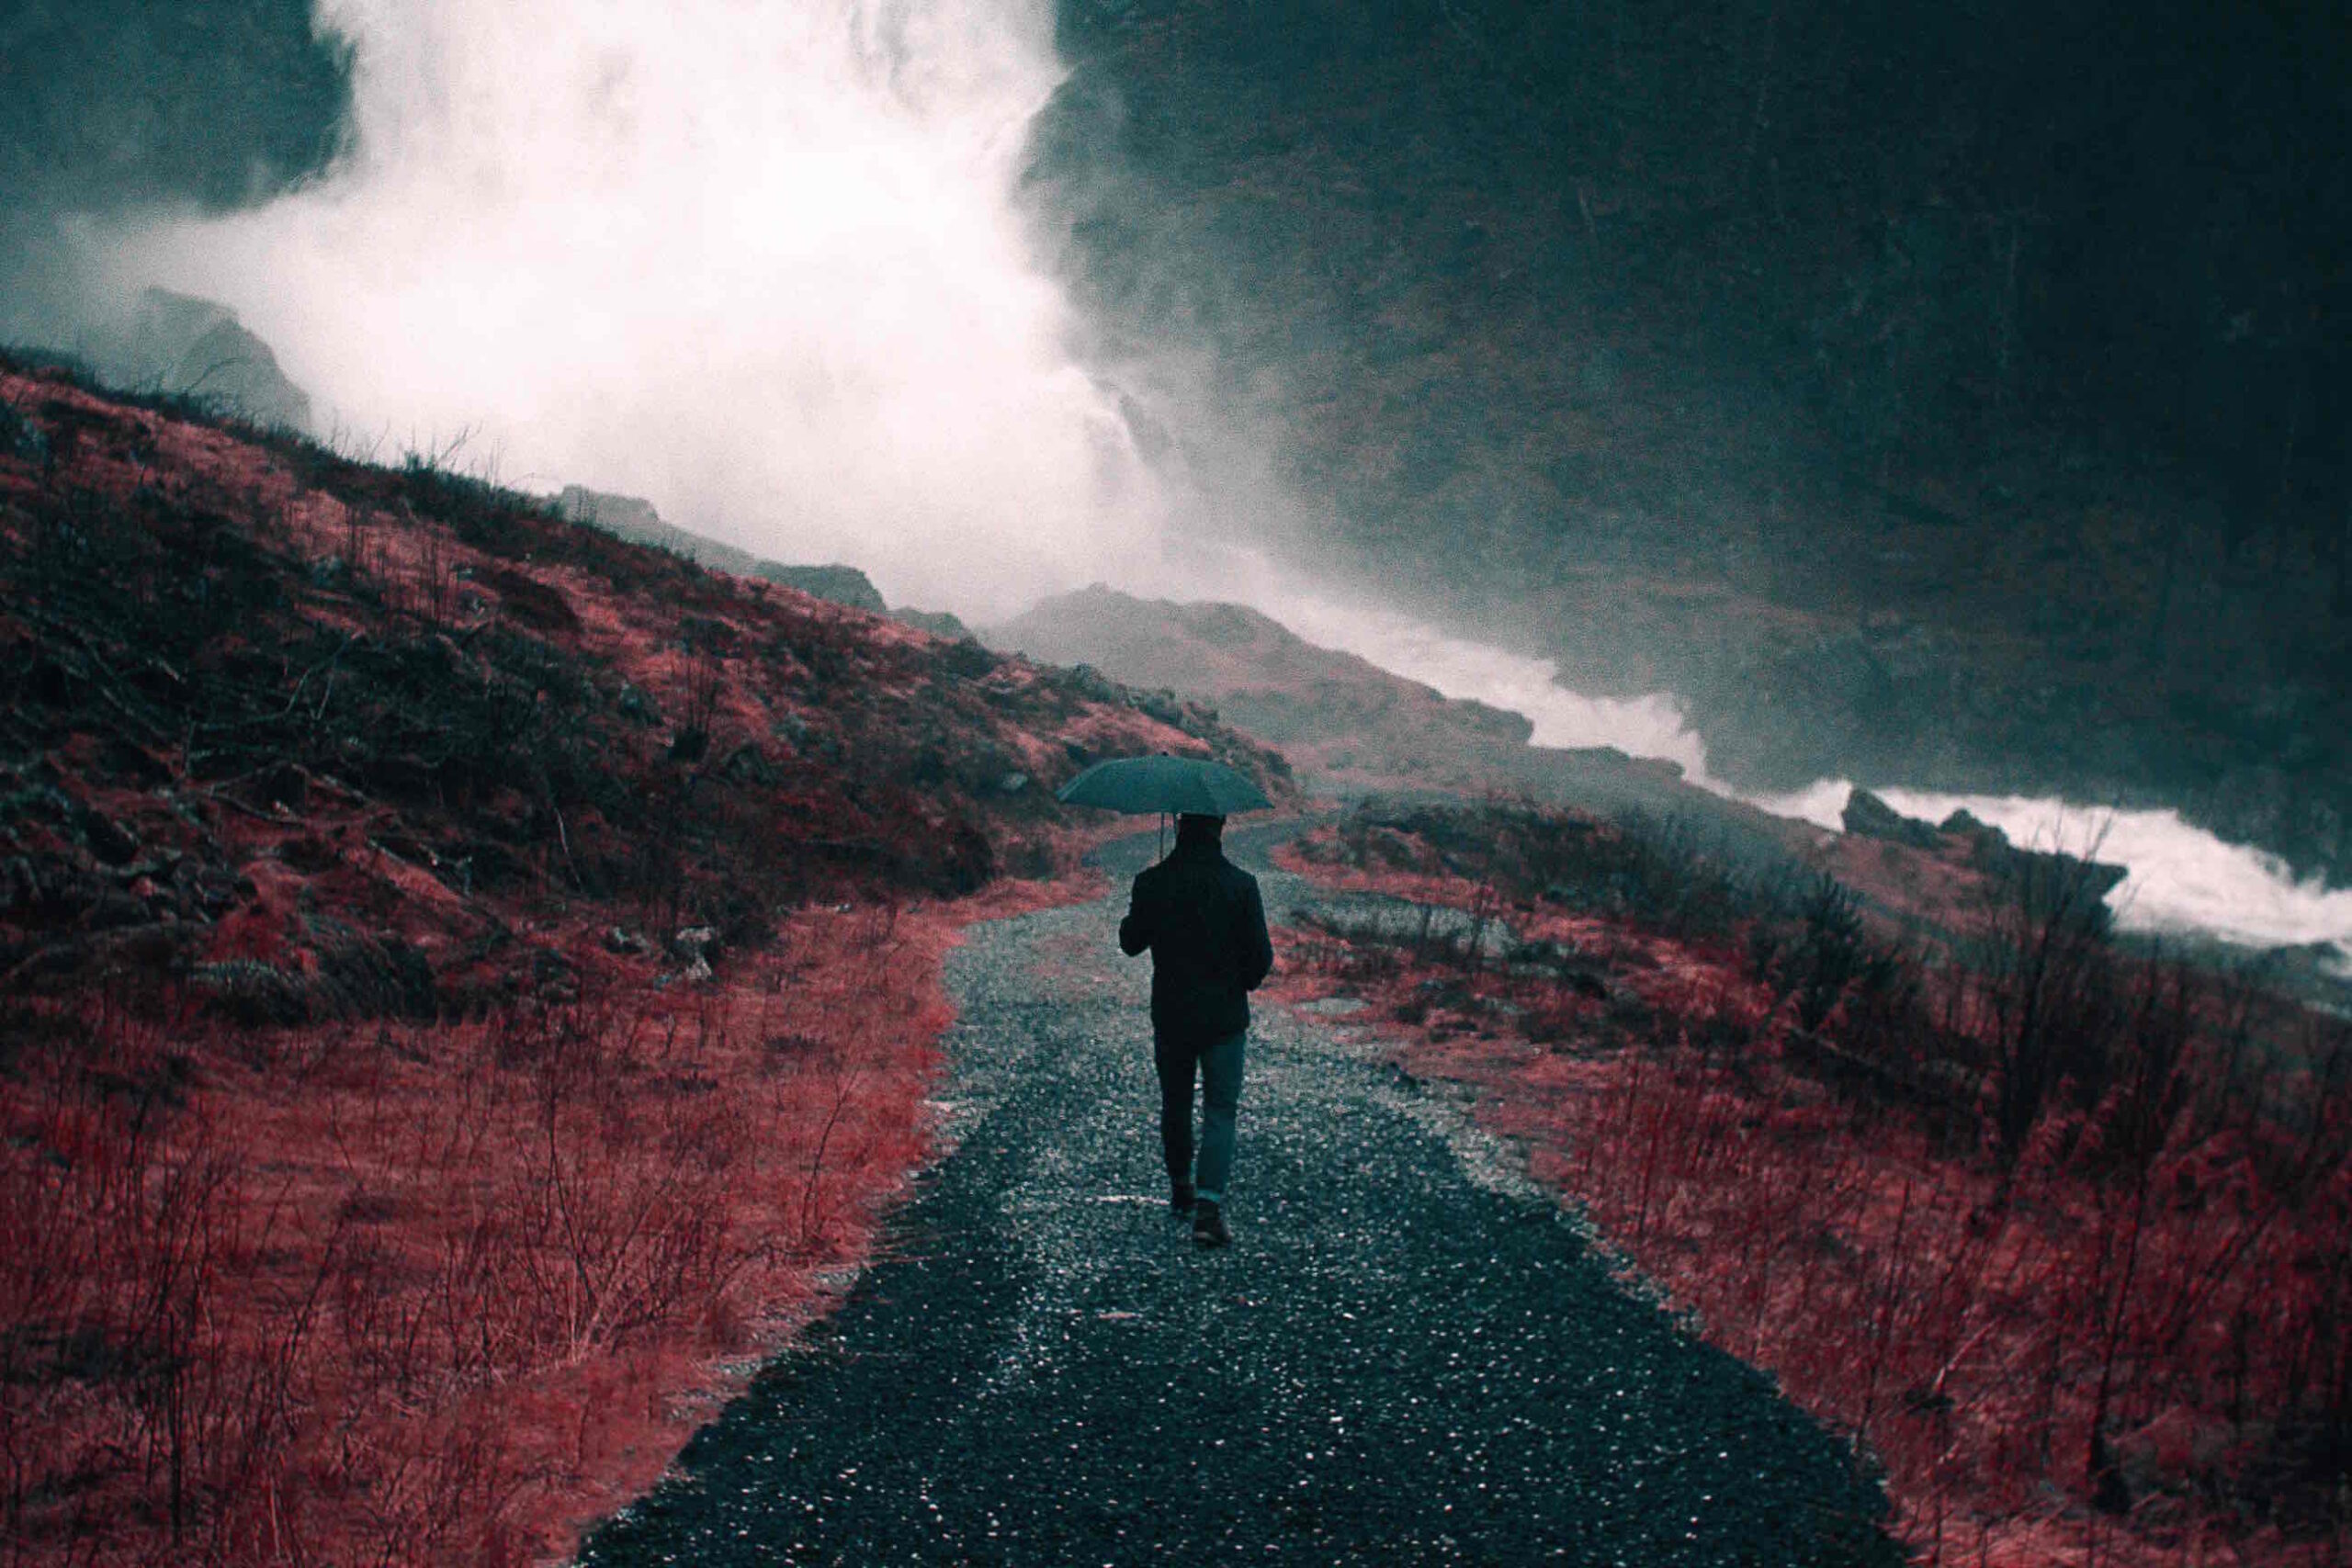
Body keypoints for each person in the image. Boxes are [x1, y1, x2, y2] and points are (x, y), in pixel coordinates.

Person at [1118, 812, 1274, 1247]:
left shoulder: (1152, 882)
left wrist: (1142, 908)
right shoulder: (1242, 885)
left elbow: (1130, 943)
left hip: (1170, 1015)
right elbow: (1260, 959)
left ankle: (1180, 1187)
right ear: (1221, 828)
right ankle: (1208, 1210)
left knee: (1176, 1102)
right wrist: (1238, 982)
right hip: (1225, 1019)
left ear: (1180, 827)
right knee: (1220, 1111)